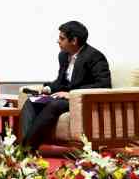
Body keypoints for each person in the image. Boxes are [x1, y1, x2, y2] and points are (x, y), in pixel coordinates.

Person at [20, 20, 111, 150]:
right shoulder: (63, 55)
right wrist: (47, 89)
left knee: (54, 105)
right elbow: (61, 82)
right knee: (32, 102)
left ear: (74, 41)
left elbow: (104, 84)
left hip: (81, 100)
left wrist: (71, 94)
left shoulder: (94, 57)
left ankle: (25, 149)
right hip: (63, 96)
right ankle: (26, 145)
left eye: (62, 38)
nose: (58, 41)